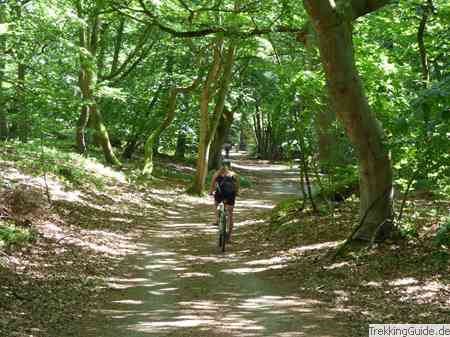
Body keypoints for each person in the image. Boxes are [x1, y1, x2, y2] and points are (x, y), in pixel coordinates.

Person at [209, 159, 240, 243]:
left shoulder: (217, 174)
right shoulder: (234, 174)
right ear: (230, 166)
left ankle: (216, 219)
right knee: (230, 215)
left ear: (220, 165)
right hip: (230, 196)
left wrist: (211, 192)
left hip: (220, 194)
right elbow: (237, 186)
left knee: (215, 204)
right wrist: (236, 193)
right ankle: (229, 238)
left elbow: (212, 185)